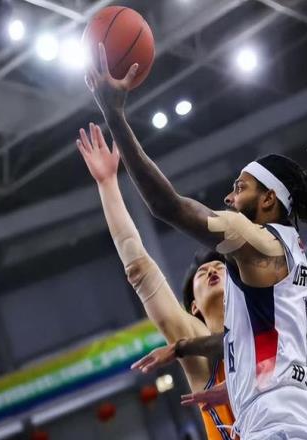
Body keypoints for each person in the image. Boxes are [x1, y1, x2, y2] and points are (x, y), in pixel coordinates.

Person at [82, 43, 307, 439]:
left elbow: (168, 206)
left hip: (281, 423)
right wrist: (233, 384)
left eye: (239, 188)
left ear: (268, 200)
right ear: (193, 306)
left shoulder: (259, 245)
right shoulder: (272, 273)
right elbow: (253, 349)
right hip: (286, 418)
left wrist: (115, 114)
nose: (229, 198)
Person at [76, 124, 235, 439]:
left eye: (219, 266)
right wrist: (107, 184)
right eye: (202, 273)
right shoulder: (195, 340)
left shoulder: (264, 321)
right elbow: (140, 270)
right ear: (194, 307)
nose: (211, 270)